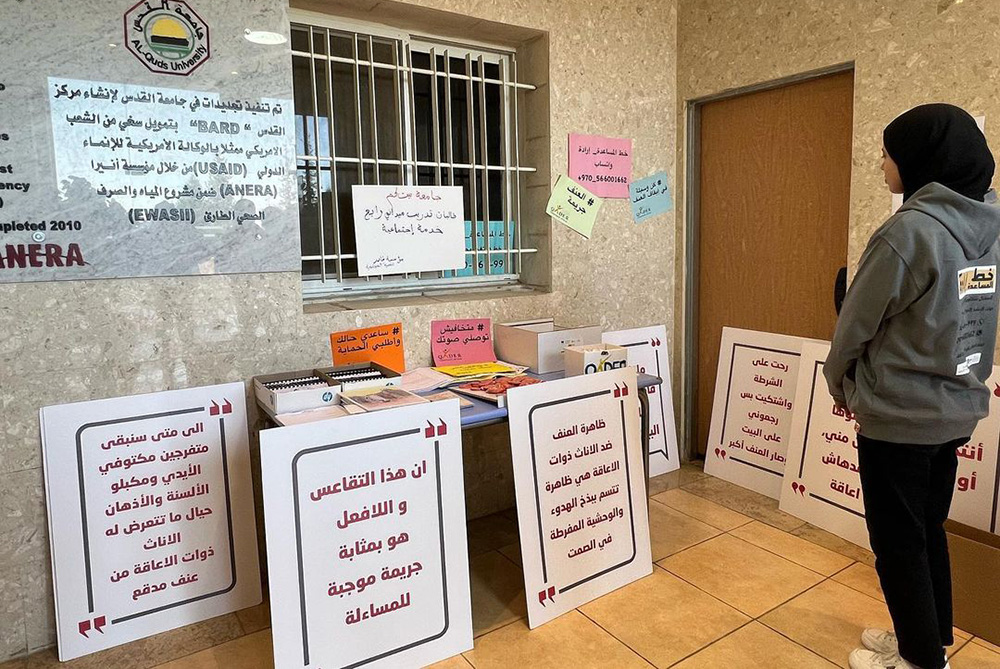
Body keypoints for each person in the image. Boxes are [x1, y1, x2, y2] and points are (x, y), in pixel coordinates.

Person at [824, 104, 1000, 669]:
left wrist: (839, 382)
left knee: (898, 544)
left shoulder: (908, 232)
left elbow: (856, 322)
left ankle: (921, 660)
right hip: (956, 411)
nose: (881, 163)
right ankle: (928, 636)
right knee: (928, 529)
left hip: (899, 418)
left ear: (922, 162)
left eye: (888, 152)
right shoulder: (992, 229)